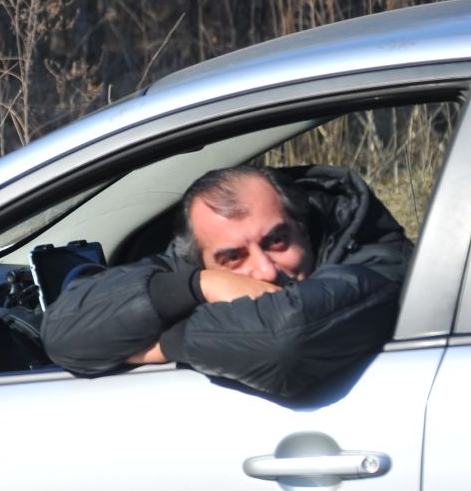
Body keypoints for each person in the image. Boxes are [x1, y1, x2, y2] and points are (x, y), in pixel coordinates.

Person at [40, 163, 413, 399]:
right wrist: (198, 286)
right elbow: (64, 335)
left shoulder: (374, 255)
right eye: (233, 258)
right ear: (195, 260)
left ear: (305, 226)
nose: (265, 270)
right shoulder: (192, 271)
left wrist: (168, 343)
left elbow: (284, 342)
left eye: (277, 241)